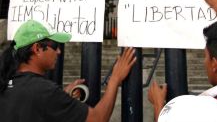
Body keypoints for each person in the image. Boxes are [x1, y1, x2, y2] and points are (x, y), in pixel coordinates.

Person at [0, 19, 136, 122]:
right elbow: (97, 118)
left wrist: (62, 96)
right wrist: (115, 79)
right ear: (37, 49)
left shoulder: (7, 82)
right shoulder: (44, 91)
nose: (59, 51)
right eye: (55, 45)